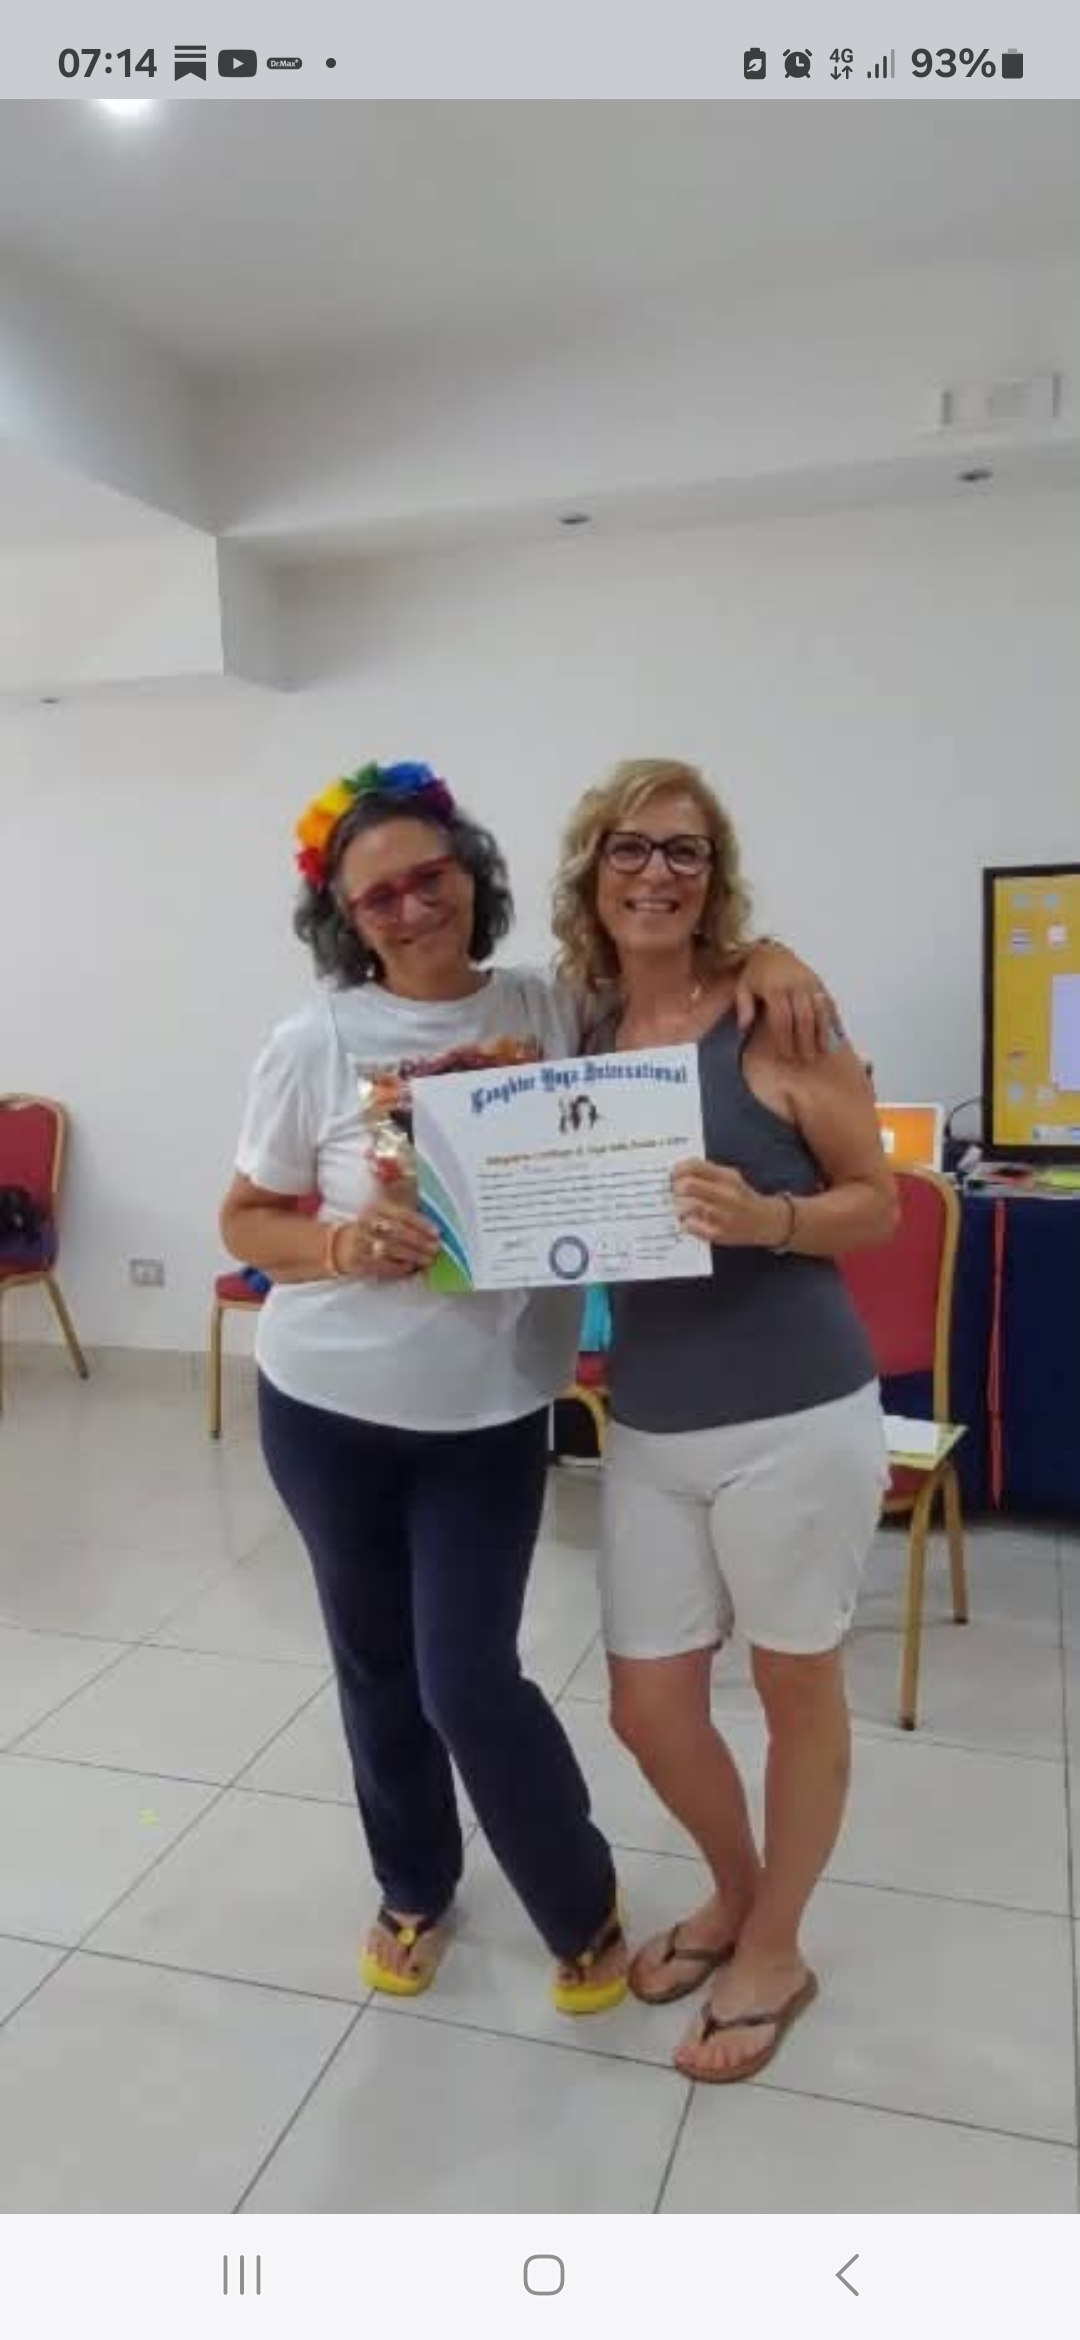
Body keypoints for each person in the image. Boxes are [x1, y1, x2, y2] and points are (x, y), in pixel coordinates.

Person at [220, 756, 836, 2009]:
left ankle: (576, 1897)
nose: (411, 908)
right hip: (327, 1409)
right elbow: (243, 1219)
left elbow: (675, 960)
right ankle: (413, 1885)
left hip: (492, 1414)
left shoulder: (556, 1009)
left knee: (465, 1676)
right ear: (346, 918)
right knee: (375, 1664)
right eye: (378, 896)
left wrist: (769, 953)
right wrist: (339, 1246)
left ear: (472, 876)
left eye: (429, 877)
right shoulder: (314, 1040)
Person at [552, 757, 896, 2082]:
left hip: (795, 1415)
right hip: (647, 1422)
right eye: (630, 848)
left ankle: (779, 1945)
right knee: (648, 1706)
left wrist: (773, 1220)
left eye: (684, 851)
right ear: (594, 868)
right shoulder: (579, 1028)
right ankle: (741, 1891)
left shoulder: (778, 1020)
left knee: (796, 1685)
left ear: (715, 875)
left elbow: (880, 1201)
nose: (656, 872)